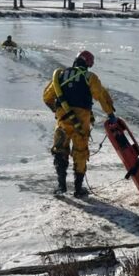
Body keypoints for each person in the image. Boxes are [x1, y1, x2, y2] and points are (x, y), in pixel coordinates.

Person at [42, 50, 116, 197]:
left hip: (63, 120)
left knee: (60, 150)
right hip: (81, 122)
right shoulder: (90, 77)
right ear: (88, 64)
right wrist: (110, 114)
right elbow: (100, 96)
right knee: (80, 153)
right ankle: (78, 189)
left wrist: (57, 110)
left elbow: (46, 97)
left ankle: (61, 186)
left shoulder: (60, 76)